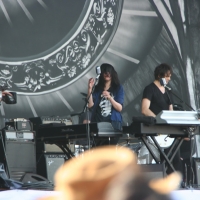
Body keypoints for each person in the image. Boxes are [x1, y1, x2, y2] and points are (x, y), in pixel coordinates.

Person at [141, 63, 182, 175]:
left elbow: (171, 111)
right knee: (159, 159)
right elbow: (144, 109)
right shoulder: (150, 89)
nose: (169, 78)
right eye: (167, 76)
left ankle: (175, 184)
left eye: (170, 76)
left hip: (167, 131)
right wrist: (158, 121)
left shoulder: (168, 91)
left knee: (175, 158)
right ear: (159, 75)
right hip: (155, 129)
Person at [87, 63, 124, 145]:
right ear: (101, 74)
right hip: (98, 124)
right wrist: (89, 89)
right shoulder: (97, 88)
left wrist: (110, 98)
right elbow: (90, 105)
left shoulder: (118, 88)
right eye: (105, 72)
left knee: (109, 152)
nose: (107, 74)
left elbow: (119, 108)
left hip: (113, 125)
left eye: (109, 72)